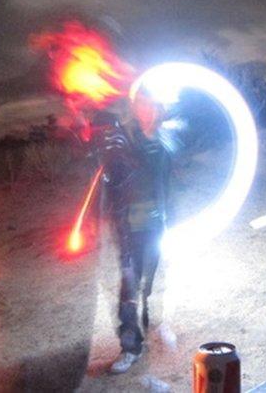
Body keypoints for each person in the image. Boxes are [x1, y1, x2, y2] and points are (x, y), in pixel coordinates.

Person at [91, 93, 171, 374]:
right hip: (129, 227)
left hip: (157, 225)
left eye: (151, 104)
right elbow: (111, 176)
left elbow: (167, 180)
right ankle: (130, 348)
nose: (146, 109)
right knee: (129, 288)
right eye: (141, 104)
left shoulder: (163, 141)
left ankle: (151, 329)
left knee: (153, 286)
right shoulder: (123, 139)